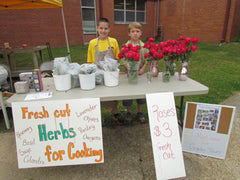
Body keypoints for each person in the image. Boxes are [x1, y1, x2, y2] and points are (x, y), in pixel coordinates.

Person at [87, 17, 124, 125]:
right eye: (101, 28)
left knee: (113, 95)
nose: (103, 31)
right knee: (96, 96)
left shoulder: (113, 41)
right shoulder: (92, 43)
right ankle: (96, 116)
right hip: (97, 73)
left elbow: (118, 58)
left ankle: (115, 113)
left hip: (110, 74)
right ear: (97, 28)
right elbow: (90, 61)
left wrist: (117, 70)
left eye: (106, 28)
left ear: (109, 29)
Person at [121, 22, 147, 123]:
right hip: (129, 74)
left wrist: (143, 69)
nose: (135, 33)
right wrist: (129, 68)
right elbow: (123, 60)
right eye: (133, 31)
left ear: (141, 33)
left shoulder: (143, 46)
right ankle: (128, 111)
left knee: (140, 92)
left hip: (140, 74)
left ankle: (139, 111)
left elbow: (147, 59)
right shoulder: (126, 46)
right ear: (129, 33)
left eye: (137, 31)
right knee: (128, 93)